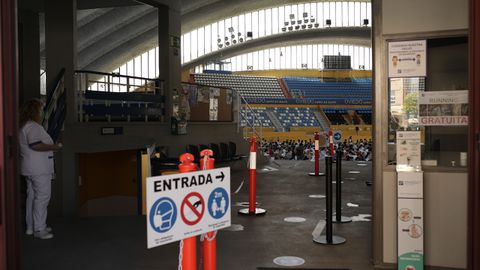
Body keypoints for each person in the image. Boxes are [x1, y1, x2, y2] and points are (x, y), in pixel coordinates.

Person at [19, 99, 62, 239]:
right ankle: (39, 229)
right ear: (35, 111)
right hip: (39, 170)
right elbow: (35, 145)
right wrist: (54, 147)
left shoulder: (25, 125)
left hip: (30, 168)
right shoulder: (33, 127)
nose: (43, 112)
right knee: (42, 198)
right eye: (41, 109)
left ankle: (31, 227)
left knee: (32, 197)